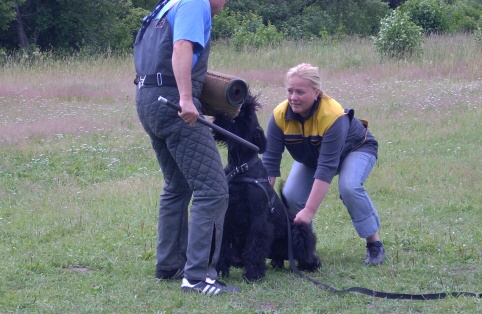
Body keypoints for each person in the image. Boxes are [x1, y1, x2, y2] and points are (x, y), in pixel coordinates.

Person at [133, 0, 240, 294]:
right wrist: (185, 97)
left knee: (177, 184)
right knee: (213, 190)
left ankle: (169, 264)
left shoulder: (165, 6)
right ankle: (197, 277)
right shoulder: (195, 3)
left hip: (148, 100)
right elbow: (181, 47)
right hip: (174, 104)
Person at [262, 63, 386, 265]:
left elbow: (326, 168)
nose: (293, 97)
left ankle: (374, 245)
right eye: (290, 91)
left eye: (300, 92)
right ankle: (304, 248)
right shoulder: (279, 115)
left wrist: (309, 212)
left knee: (349, 187)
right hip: (313, 156)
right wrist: (262, 199)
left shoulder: (333, 115)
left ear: (316, 92)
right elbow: (269, 162)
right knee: (291, 196)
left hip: (355, 149)